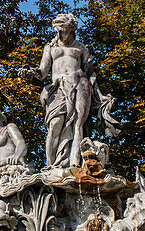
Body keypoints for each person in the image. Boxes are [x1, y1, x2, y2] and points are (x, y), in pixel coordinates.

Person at [20, 13, 118, 168]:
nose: (59, 34)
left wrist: (99, 95)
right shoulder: (50, 47)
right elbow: (43, 72)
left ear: (71, 29)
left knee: (78, 123)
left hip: (80, 84)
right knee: (55, 125)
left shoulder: (80, 47)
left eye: (62, 30)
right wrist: (31, 72)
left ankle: (74, 164)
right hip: (58, 87)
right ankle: (51, 165)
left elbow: (90, 72)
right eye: (56, 31)